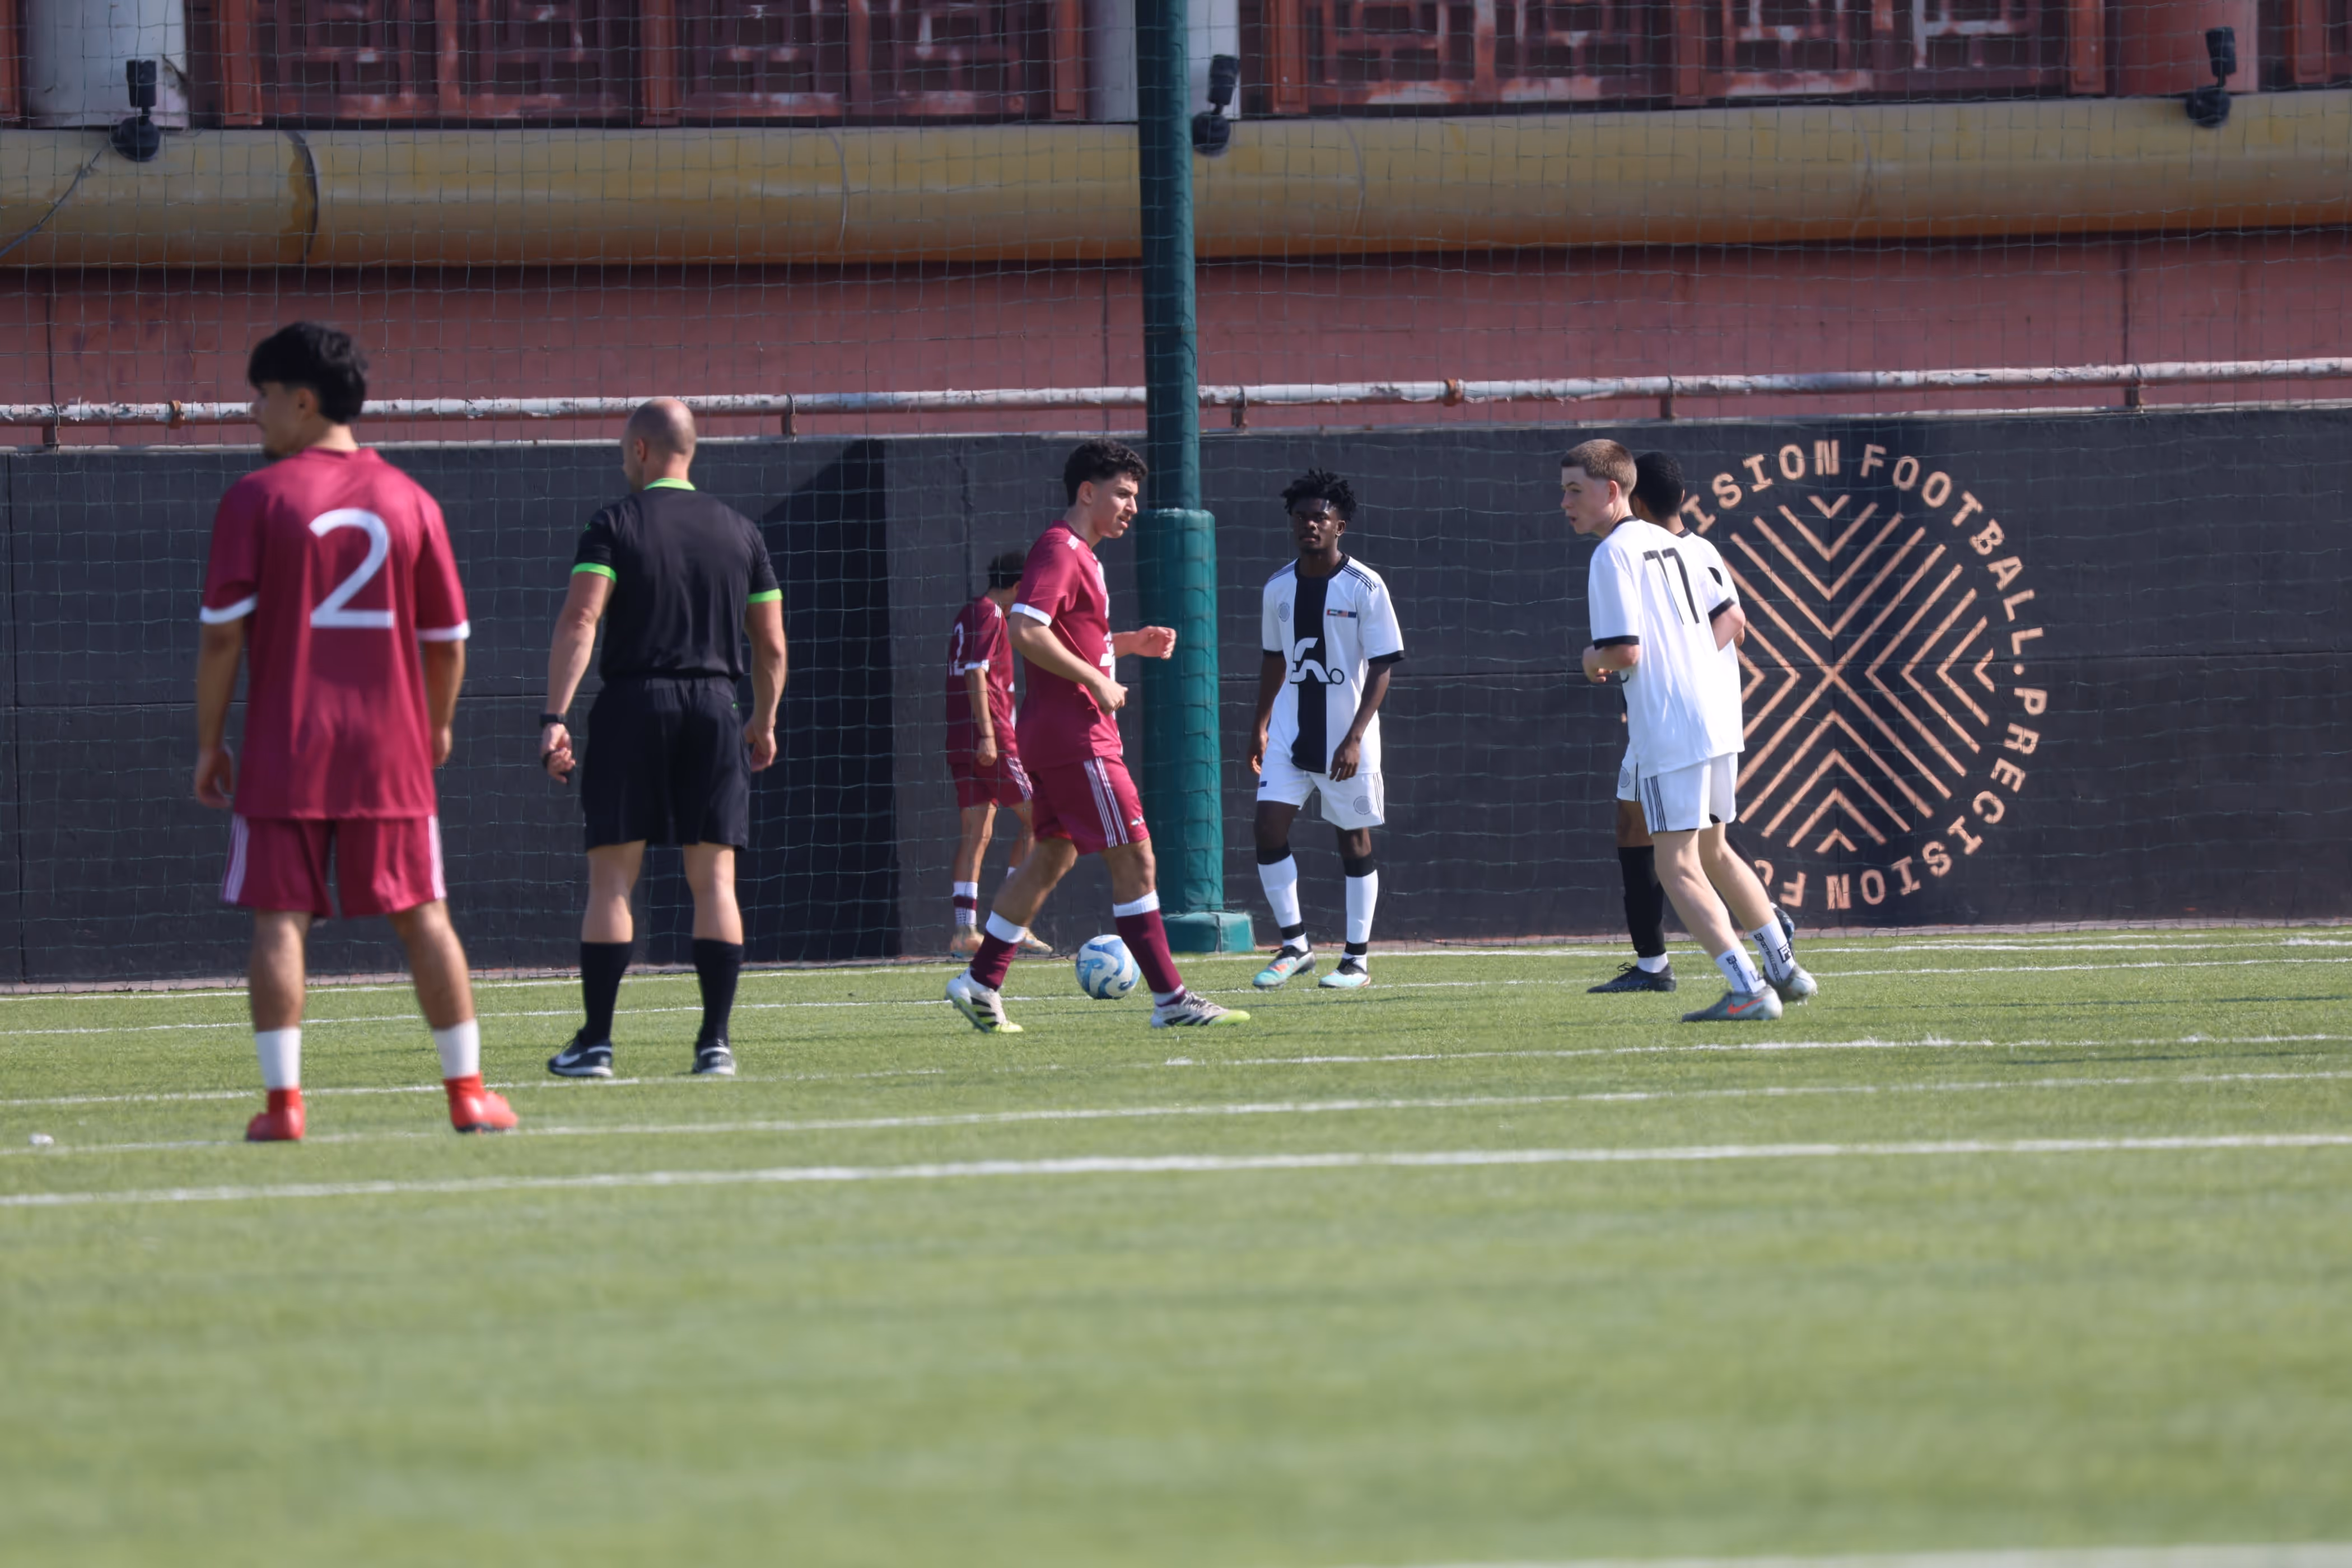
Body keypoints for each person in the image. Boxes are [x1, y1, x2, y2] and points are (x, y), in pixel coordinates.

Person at [193, 321, 515, 1142]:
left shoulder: (255, 499)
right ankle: (469, 1096)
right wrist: (435, 727)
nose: (254, 414)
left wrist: (209, 742)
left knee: (278, 919)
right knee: (425, 914)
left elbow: (222, 635)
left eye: (261, 397)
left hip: (286, 743)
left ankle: (285, 1108)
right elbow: (449, 643)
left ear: (302, 400)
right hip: (387, 749)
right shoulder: (412, 499)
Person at [944, 440, 1249, 1033]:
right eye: (1123, 494)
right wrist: (1096, 681)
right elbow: (1026, 629)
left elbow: (1066, 635)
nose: (1132, 507)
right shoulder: (1062, 549)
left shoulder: (1081, 554)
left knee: (1050, 857)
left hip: (1055, 734)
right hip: (1078, 735)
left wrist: (1127, 644)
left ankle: (979, 981)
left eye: (1136, 496)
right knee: (1136, 854)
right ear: (1088, 492)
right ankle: (1172, 999)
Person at [539, 399, 788, 1079]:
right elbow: (770, 646)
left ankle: (595, 1045)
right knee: (715, 881)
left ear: (642, 450)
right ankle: (715, 1045)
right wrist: (762, 722)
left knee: (612, 881)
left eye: (625, 450)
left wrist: (554, 717)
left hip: (633, 705)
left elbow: (580, 619)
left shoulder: (614, 522)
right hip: (714, 707)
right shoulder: (741, 533)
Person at [1564, 437, 1818, 1023]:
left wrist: (1590, 661)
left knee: (1675, 865)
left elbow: (1623, 651)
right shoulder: (1678, 543)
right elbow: (1724, 618)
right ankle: (1785, 968)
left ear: (1612, 491)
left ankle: (1748, 988)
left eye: (1575, 490)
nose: (1564, 502)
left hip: (1670, 723)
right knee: (1716, 850)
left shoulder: (1612, 555)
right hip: (1716, 714)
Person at [1249, 469, 1405, 991]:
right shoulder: (1277, 587)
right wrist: (1261, 724)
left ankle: (1356, 959)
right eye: (1301, 517)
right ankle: (1295, 946)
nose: (1310, 524)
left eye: (1320, 517)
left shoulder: (1366, 585)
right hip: (1291, 736)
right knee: (1267, 829)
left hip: (1346, 740)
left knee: (1352, 841)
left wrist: (1357, 736)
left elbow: (1383, 665)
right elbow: (1275, 659)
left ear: (1341, 525)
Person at [945, 550, 1050, 960]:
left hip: (960, 739)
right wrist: (989, 735)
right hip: (990, 740)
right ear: (1019, 585)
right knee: (1040, 822)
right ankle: (1014, 925)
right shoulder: (991, 614)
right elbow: (976, 671)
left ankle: (963, 932)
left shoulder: (968, 613)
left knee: (977, 833)